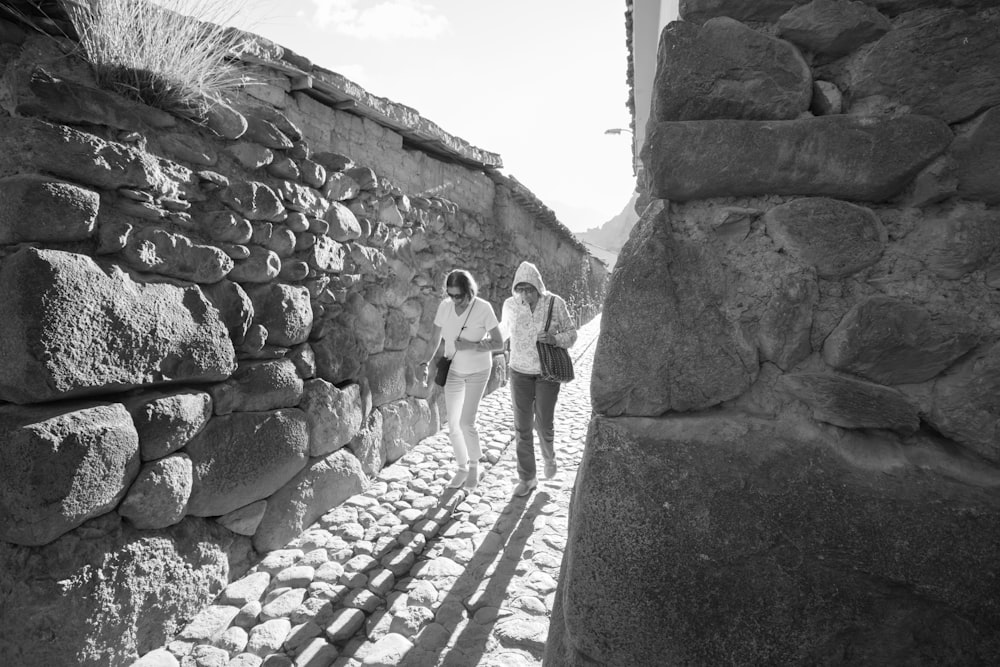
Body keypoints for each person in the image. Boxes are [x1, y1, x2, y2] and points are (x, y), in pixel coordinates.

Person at [500, 261, 577, 497]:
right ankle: (527, 478)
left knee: (543, 423)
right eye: (520, 289)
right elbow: (503, 330)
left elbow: (572, 334)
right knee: (522, 427)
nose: (525, 294)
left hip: (547, 372)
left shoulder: (555, 303)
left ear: (538, 286)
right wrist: (480, 340)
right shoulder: (511, 305)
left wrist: (554, 340)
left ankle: (549, 455)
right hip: (519, 371)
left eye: (529, 289)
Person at [422, 270, 504, 491]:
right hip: (454, 370)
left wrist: (473, 346)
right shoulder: (445, 307)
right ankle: (461, 468)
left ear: (469, 291)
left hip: (479, 370)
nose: (454, 300)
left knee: (467, 422)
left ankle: (475, 465)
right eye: (450, 295)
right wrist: (424, 363)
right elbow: (434, 339)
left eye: (458, 295)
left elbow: (499, 343)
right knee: (453, 425)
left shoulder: (483, 308)